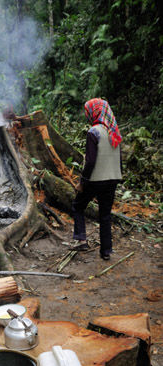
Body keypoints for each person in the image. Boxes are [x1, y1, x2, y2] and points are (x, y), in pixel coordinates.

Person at [72, 98, 122, 260]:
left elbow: (91, 161)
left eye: (88, 111)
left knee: (78, 205)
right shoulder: (114, 131)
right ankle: (106, 252)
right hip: (113, 179)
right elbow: (119, 159)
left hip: (95, 180)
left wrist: (82, 182)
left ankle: (81, 239)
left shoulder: (94, 132)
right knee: (105, 215)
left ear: (94, 112)